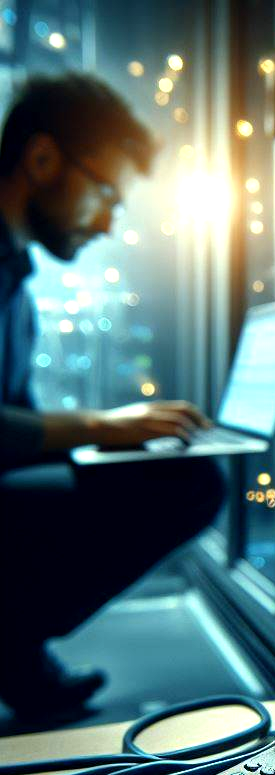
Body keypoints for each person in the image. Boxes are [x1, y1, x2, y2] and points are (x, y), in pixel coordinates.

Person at [0, 73, 224, 718]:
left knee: (167, 472)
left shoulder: (14, 284)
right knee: (190, 486)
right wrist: (101, 427)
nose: (105, 222)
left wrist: (114, 438)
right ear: (42, 159)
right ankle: (10, 646)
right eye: (104, 193)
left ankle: (14, 650)